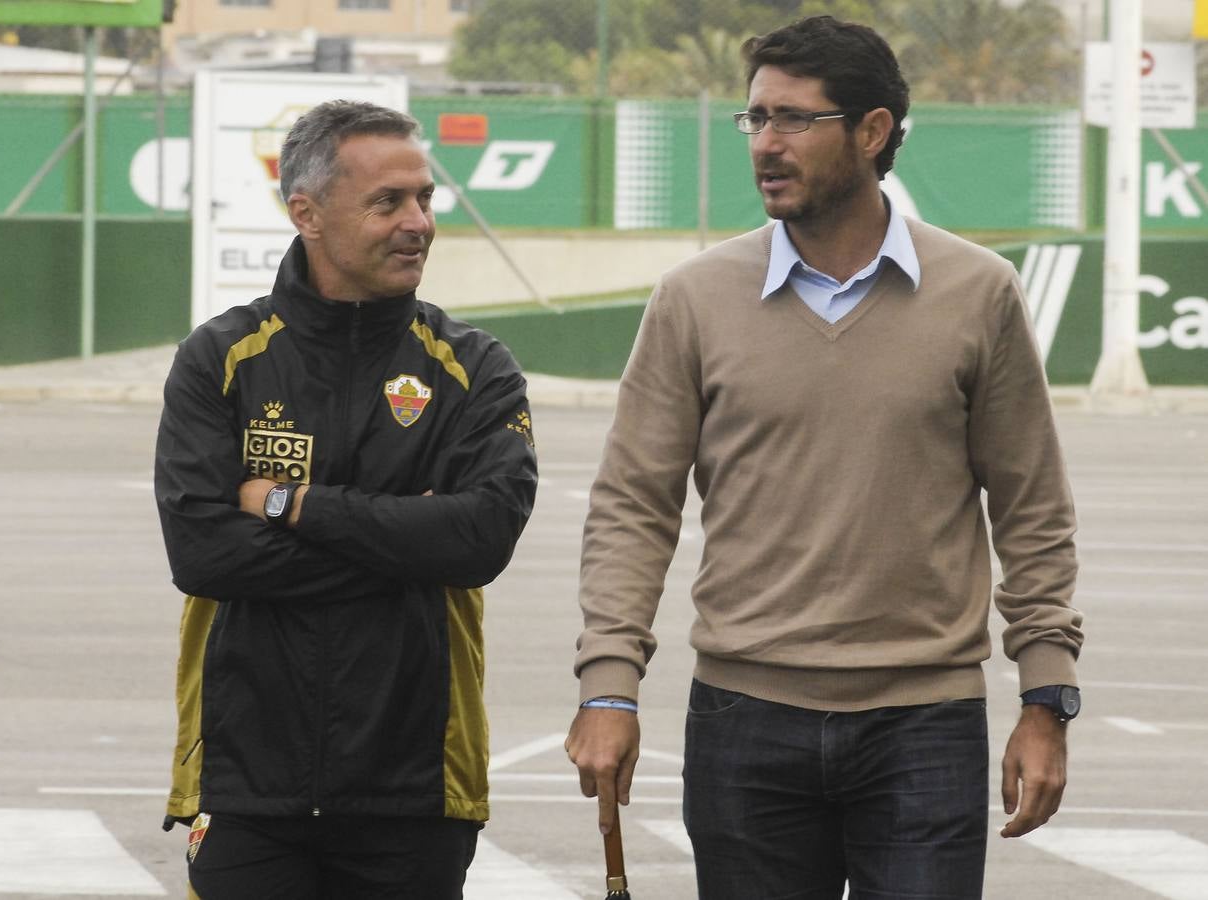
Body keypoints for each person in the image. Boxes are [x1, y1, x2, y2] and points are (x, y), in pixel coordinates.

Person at [565, 16, 1082, 900]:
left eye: (793, 120)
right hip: (743, 723)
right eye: (756, 119)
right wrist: (608, 689)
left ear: (873, 131)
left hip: (926, 724)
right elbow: (633, 505)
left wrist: (1046, 699)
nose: (766, 143)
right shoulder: (693, 300)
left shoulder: (978, 294)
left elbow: (1031, 508)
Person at [154, 100, 537, 900]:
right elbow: (203, 554)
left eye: (425, 199)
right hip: (247, 784)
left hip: (416, 789)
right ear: (307, 212)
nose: (418, 223)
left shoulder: (474, 366)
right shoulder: (221, 358)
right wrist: (406, 539)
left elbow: (479, 540)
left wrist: (291, 504)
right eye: (387, 201)